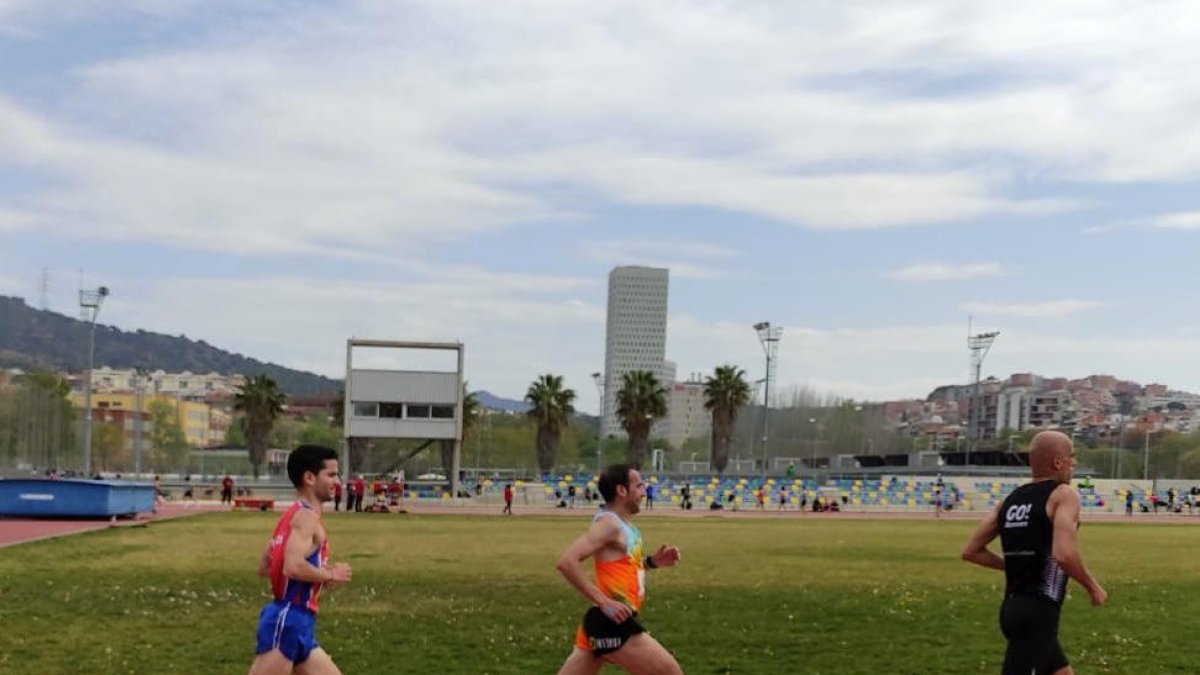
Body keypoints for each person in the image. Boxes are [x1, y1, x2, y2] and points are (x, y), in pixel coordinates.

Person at [961, 430, 1107, 675]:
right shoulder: (1063, 495)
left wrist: (1015, 565)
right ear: (1058, 461)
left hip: (1012, 609)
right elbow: (1063, 555)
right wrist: (1093, 587)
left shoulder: (1009, 500)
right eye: (1072, 456)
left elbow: (971, 551)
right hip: (1038, 613)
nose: (1075, 462)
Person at [555, 464, 683, 675]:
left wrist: (652, 562)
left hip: (604, 621)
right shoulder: (609, 525)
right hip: (611, 622)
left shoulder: (627, 528)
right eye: (639, 486)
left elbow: (625, 566)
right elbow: (567, 562)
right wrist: (604, 602)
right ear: (621, 491)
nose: (644, 492)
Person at [248, 445, 352, 675]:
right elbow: (292, 567)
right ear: (309, 478)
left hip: (300, 623)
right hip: (287, 620)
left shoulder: (293, 514)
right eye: (332, 474)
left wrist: (319, 572)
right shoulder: (306, 518)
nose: (338, 482)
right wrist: (330, 574)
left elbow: (266, 566)